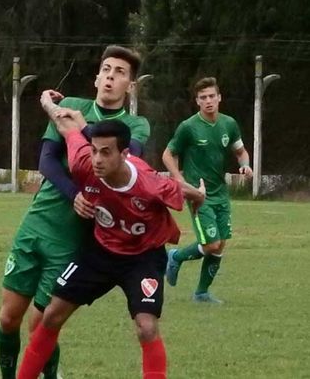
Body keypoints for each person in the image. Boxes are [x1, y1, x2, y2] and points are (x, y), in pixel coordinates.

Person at [17, 92, 205, 379]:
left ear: (125, 154)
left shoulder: (150, 185)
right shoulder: (84, 162)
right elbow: (65, 125)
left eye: (106, 152)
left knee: (147, 327)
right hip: (100, 251)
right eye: (94, 150)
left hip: (143, 256)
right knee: (52, 314)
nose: (97, 159)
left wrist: (200, 195)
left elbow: (184, 192)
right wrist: (45, 102)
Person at [0, 45, 151, 379]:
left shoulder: (135, 126)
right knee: (8, 319)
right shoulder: (73, 106)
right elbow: (47, 161)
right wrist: (74, 192)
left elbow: (120, 162)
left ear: (131, 86)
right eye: (106, 69)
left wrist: (64, 117)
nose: (111, 76)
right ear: (97, 77)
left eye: (120, 72)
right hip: (37, 222)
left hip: (72, 239)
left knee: (42, 323)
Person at [162, 76, 253, 303]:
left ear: (219, 98)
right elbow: (167, 154)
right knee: (210, 244)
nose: (209, 100)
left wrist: (245, 165)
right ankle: (176, 256)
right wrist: (179, 180)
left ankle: (201, 293)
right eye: (203, 97)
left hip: (221, 193)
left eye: (212, 96)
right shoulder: (188, 127)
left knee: (220, 244)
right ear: (198, 101)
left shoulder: (228, 124)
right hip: (199, 196)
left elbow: (240, 151)